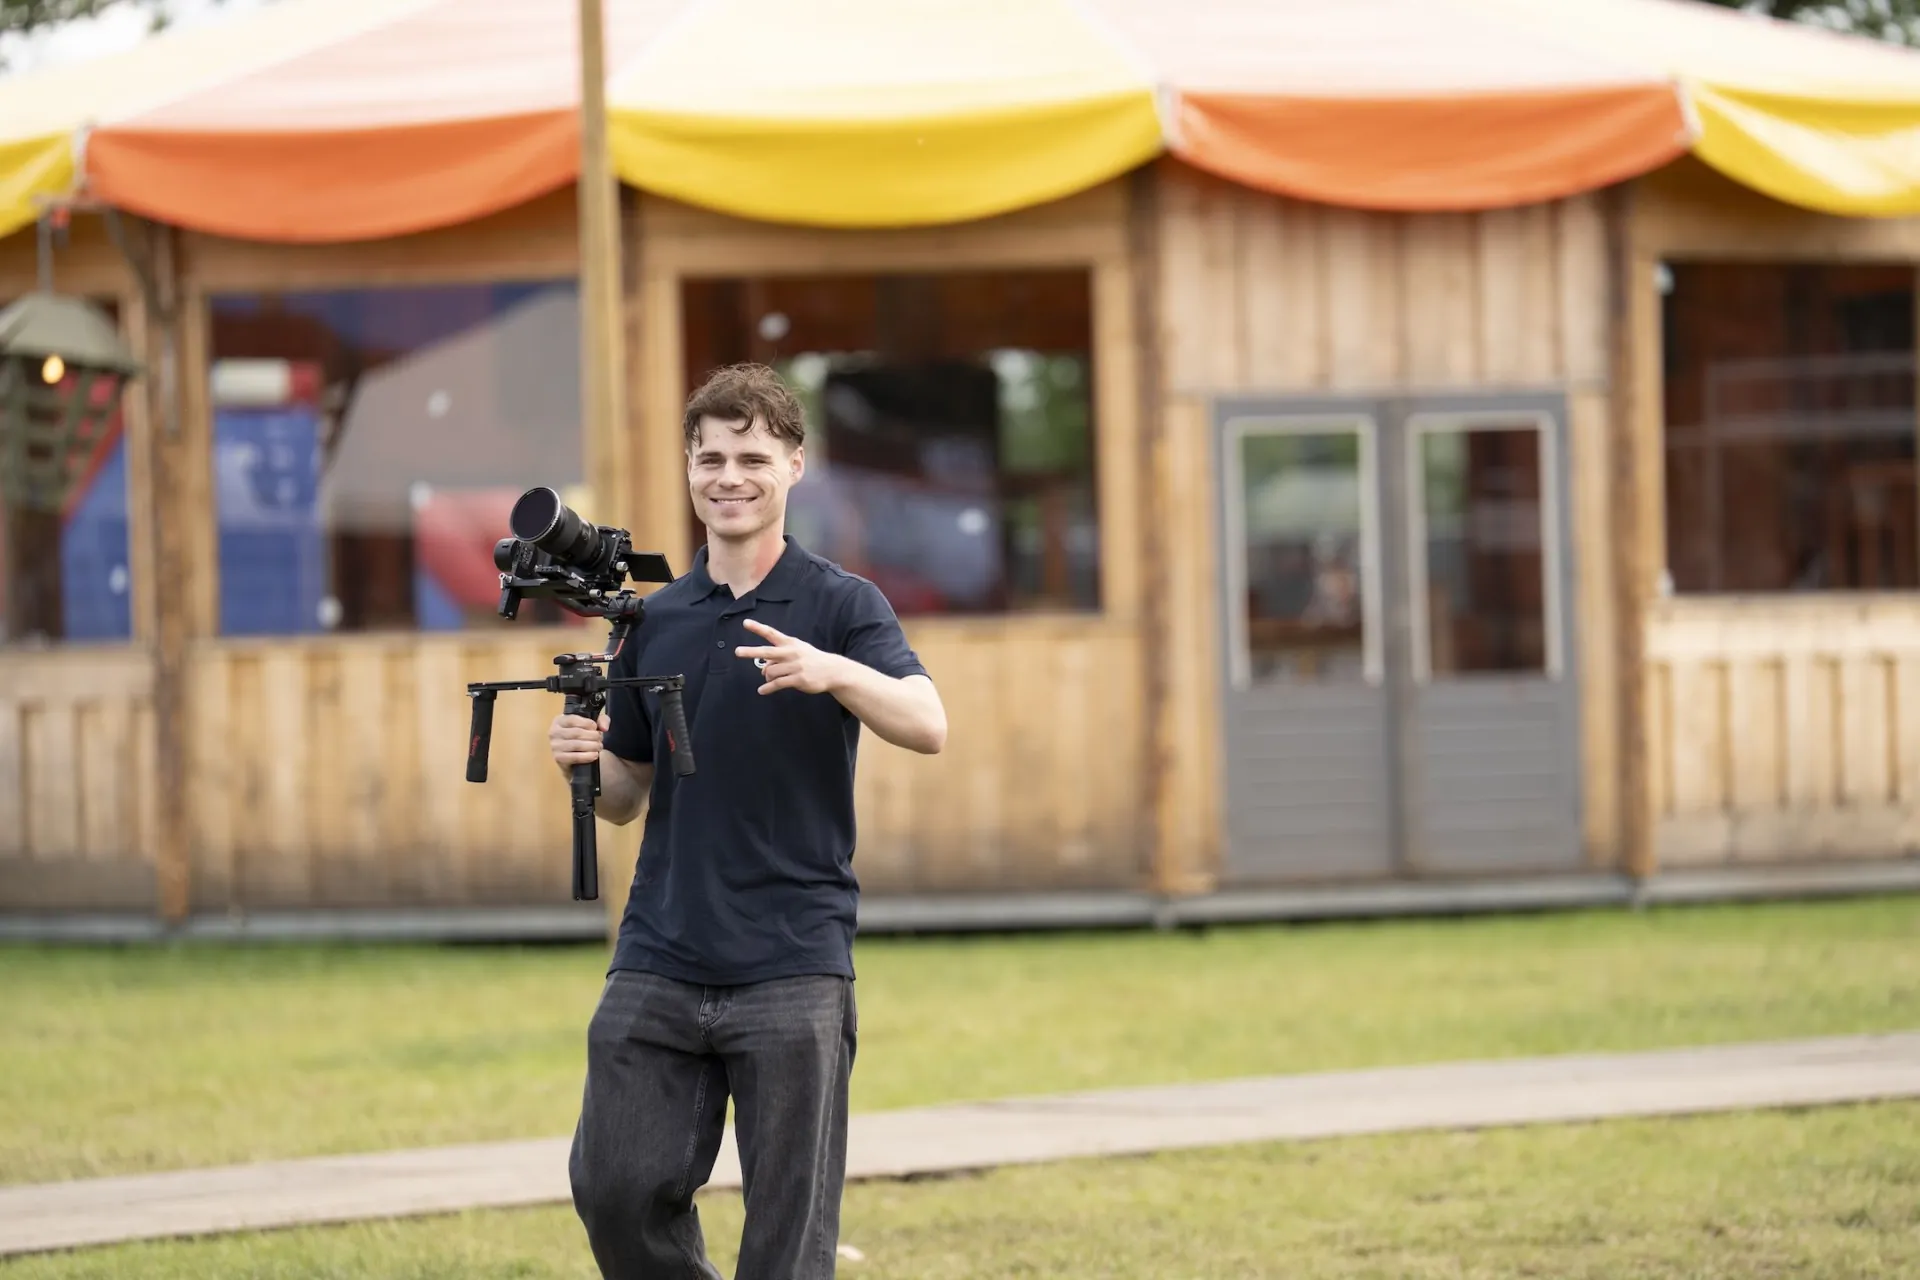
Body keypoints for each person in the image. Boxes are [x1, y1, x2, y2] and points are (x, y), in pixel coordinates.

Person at [548, 362, 947, 1279]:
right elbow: (627, 798)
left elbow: (928, 724)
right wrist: (587, 761)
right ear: (689, 469)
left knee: (786, 1236)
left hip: (793, 956)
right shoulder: (652, 620)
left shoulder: (842, 604)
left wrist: (833, 671)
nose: (730, 477)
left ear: (795, 466)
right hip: (661, 949)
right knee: (613, 1186)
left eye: (753, 458)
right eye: (711, 459)